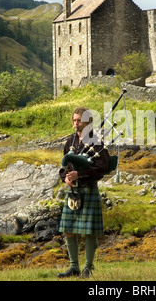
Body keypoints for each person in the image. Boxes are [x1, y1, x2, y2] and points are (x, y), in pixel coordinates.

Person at [57, 107, 109, 279]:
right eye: (74, 120)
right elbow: (63, 167)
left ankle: (88, 268)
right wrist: (65, 177)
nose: (75, 123)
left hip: (88, 188)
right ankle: (74, 268)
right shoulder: (70, 142)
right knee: (68, 230)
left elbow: (101, 168)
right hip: (73, 190)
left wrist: (80, 174)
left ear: (87, 121)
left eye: (78, 120)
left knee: (89, 232)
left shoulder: (96, 142)